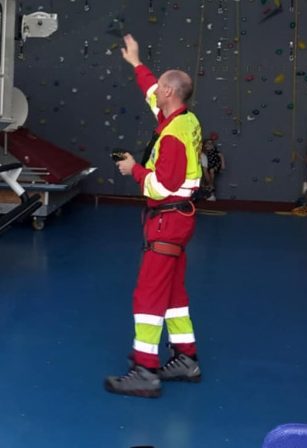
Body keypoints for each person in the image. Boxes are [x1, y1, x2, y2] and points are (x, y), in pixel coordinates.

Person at [106, 34, 203, 398]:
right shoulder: (183, 118)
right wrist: (135, 62)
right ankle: (186, 358)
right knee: (174, 293)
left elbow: (162, 185)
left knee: (148, 296)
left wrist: (133, 168)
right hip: (177, 221)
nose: (154, 91)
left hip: (167, 219)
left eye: (160, 87)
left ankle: (144, 370)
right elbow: (149, 91)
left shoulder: (173, 135)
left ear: (169, 92)